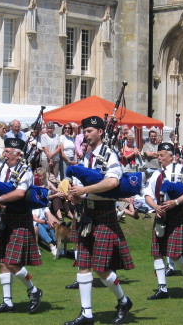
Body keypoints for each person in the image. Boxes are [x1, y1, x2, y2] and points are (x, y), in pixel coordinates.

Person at [65, 116, 133, 325]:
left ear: (100, 132)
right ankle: (87, 314)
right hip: (86, 213)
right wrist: (74, 194)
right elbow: (80, 185)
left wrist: (85, 190)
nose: (85, 134)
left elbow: (112, 181)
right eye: (84, 131)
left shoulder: (108, 155)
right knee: (83, 264)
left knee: (101, 268)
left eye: (89, 131)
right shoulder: (87, 157)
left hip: (104, 215)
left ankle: (123, 300)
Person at [0, 138, 44, 314]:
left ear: (18, 154)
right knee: (2, 262)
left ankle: (33, 290)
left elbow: (19, 193)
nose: (5, 154)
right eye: (5, 151)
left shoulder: (25, 171)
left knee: (12, 261)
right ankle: (7, 302)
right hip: (5, 218)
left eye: (8, 152)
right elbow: (0, 191)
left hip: (20, 218)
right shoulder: (3, 169)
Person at [144, 142, 183, 301]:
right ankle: (162, 288)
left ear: (172, 156)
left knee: (174, 254)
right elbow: (147, 194)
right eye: (158, 155)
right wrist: (155, 206)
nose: (159, 158)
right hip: (161, 215)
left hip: (177, 214)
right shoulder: (155, 175)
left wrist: (176, 202)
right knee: (158, 253)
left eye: (161, 155)